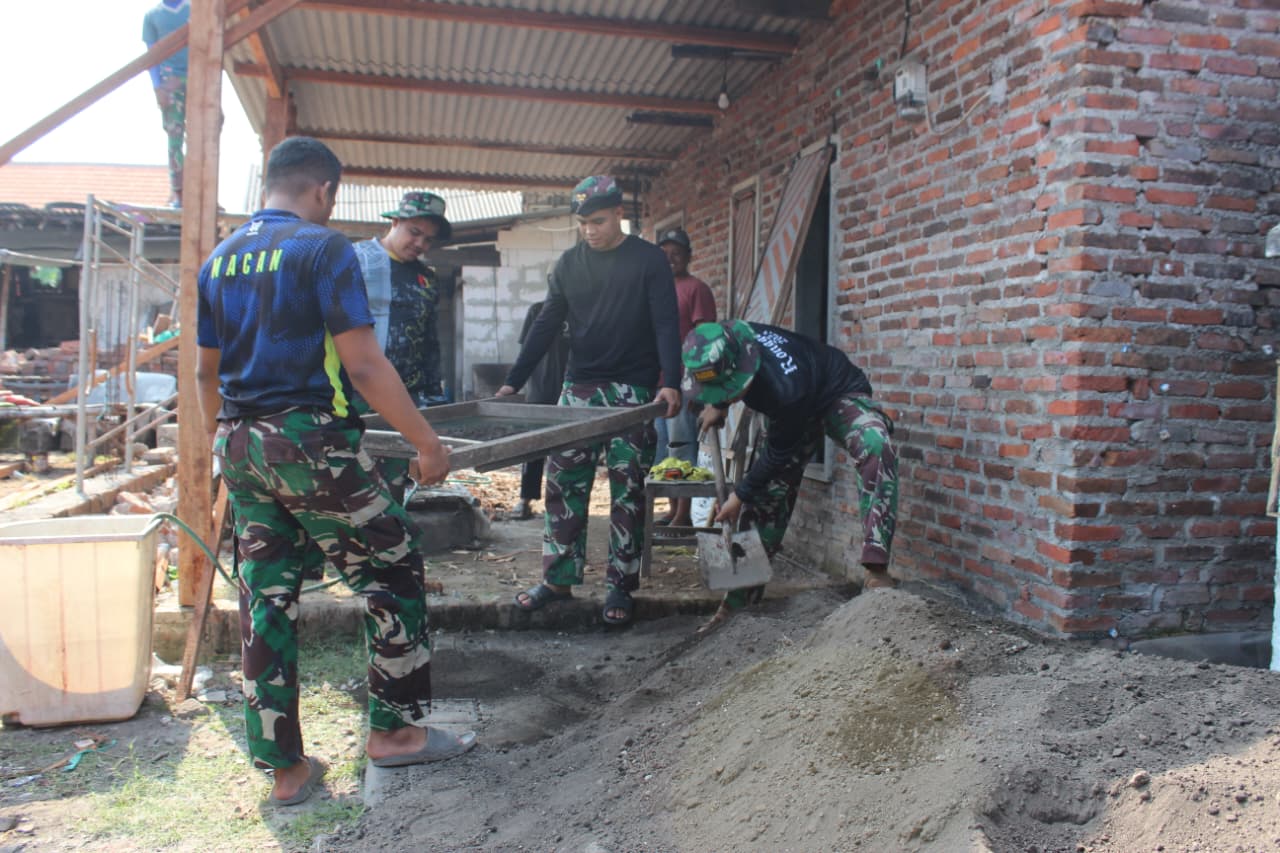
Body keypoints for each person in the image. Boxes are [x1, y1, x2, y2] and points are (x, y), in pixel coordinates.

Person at [195, 137, 475, 808]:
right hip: (308, 440)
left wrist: (227, 445)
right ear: (322, 190)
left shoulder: (218, 259)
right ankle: (395, 734)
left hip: (240, 441)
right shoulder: (325, 249)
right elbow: (365, 366)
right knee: (395, 566)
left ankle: (285, 770)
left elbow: (205, 373)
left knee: (267, 598)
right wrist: (426, 442)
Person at [496, 175, 682, 627]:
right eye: (582, 223)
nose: (589, 231)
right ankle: (558, 579)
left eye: (597, 221)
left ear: (619, 213)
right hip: (577, 388)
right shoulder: (568, 265)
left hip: (632, 392)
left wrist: (670, 381)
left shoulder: (648, 260)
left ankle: (620, 584)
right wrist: (512, 381)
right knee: (563, 484)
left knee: (628, 490)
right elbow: (545, 324)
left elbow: (665, 323)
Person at [682, 320, 899, 631]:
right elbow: (720, 377)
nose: (727, 396)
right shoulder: (723, 339)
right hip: (791, 407)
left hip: (836, 391)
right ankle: (736, 606)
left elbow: (778, 453)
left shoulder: (785, 388)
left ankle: (876, 569)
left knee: (875, 445)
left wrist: (739, 493)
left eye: (728, 391)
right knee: (766, 496)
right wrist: (718, 403)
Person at [352, 191, 452, 502]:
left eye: (429, 240)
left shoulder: (426, 279)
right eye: (415, 232)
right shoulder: (356, 262)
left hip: (403, 402)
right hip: (351, 396)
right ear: (395, 222)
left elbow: (429, 343)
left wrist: (434, 401)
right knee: (347, 487)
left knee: (390, 490)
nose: (420, 244)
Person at [653, 227, 717, 527]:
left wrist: (702, 385)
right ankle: (671, 506)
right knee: (663, 446)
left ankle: (684, 515)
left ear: (688, 256)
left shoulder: (696, 289)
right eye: (664, 253)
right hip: (659, 382)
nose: (671, 258)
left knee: (682, 446)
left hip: (685, 382)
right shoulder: (655, 287)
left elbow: (705, 338)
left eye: (677, 252)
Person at [512, 298, 570, 520]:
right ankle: (525, 500)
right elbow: (527, 350)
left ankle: (561, 503)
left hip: (571, 389)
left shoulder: (581, 309)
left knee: (568, 449)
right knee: (533, 447)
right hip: (540, 388)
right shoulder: (537, 310)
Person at [142, 0, 189, 207]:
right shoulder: (152, 16)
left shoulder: (195, 9)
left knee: (205, 135)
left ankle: (204, 188)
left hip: (197, 76)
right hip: (169, 81)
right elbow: (151, 56)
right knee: (174, 135)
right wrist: (157, 87)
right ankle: (179, 191)